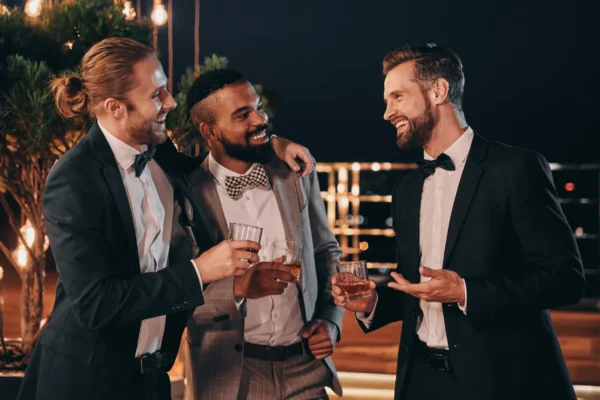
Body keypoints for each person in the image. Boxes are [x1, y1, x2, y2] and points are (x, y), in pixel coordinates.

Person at [17, 37, 315, 400]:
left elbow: (216, 164)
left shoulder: (160, 153)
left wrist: (271, 144)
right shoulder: (73, 178)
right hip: (84, 379)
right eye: (157, 95)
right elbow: (97, 304)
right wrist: (200, 271)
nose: (171, 103)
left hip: (153, 378)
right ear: (115, 107)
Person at [332, 43, 585, 400]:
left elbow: (565, 279)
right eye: (387, 100)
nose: (388, 112)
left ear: (438, 91)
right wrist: (372, 304)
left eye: (398, 97)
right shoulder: (406, 189)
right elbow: (418, 289)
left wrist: (466, 292)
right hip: (421, 381)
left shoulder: (515, 169)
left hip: (504, 382)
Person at [183, 69, 344, 400]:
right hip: (232, 374)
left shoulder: (294, 172)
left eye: (258, 107)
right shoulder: (186, 195)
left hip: (305, 368)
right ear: (209, 130)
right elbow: (177, 292)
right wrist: (239, 288)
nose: (260, 119)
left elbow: (326, 252)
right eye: (243, 115)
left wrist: (331, 322)